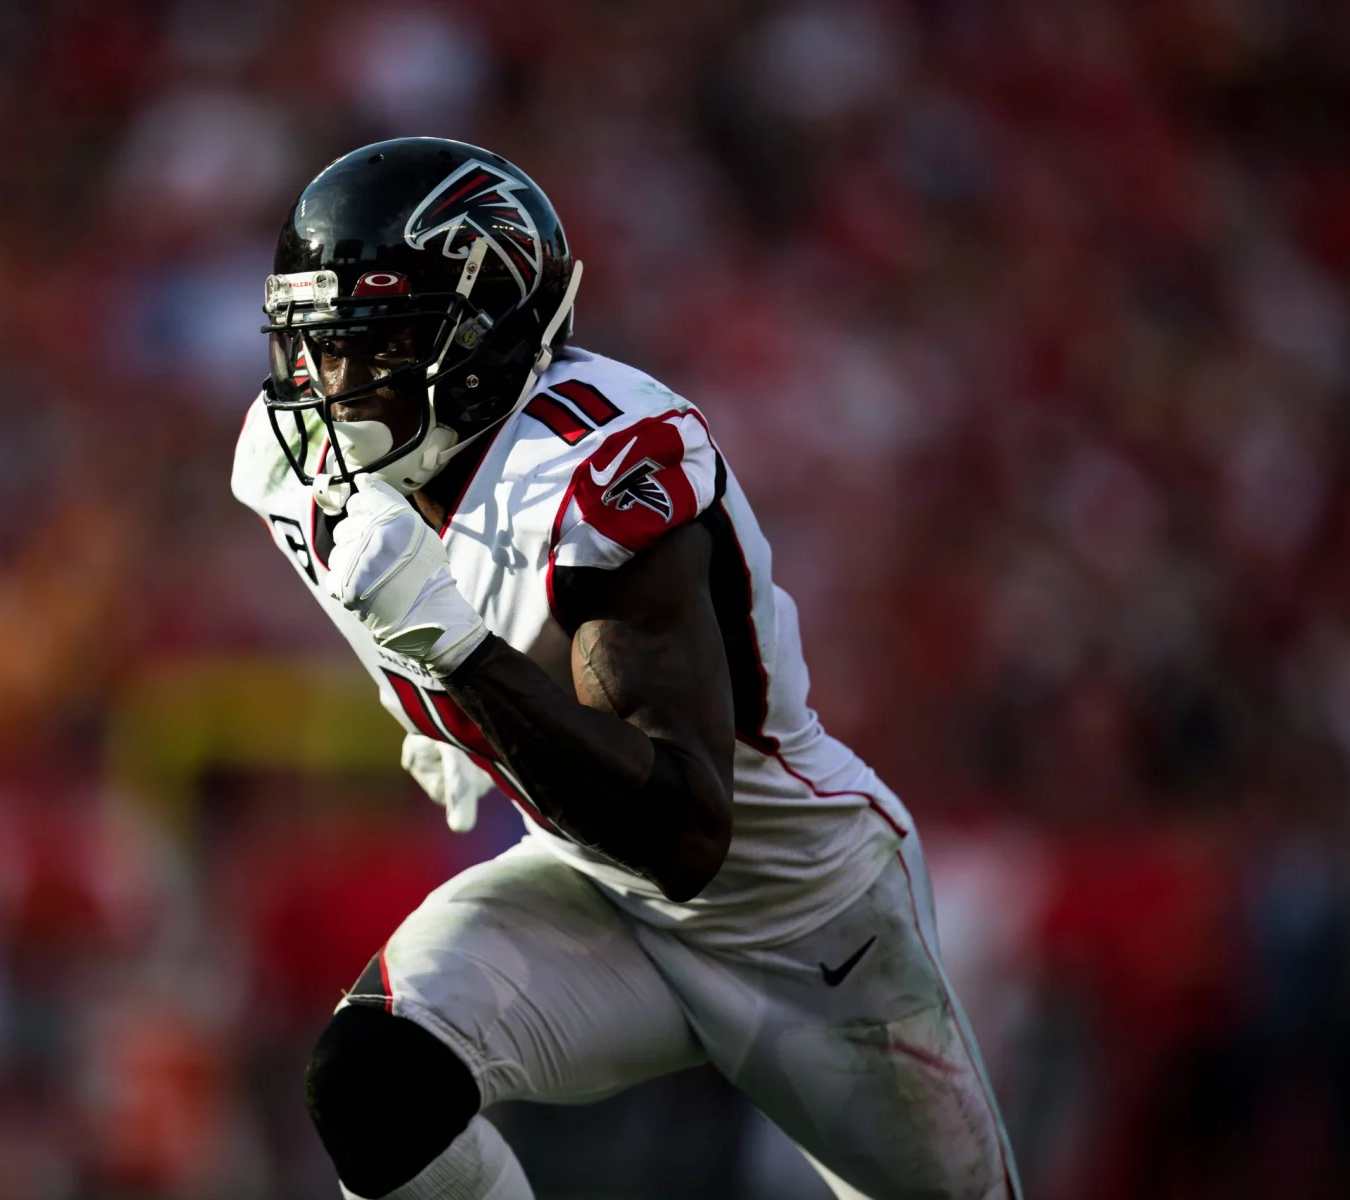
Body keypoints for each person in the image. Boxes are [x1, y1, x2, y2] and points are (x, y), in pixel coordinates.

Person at [231, 136, 1021, 1200]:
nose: (339, 388)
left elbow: (685, 837)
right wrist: (428, 709)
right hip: (592, 886)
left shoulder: (595, 467)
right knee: (374, 1082)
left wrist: (458, 661)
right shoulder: (293, 463)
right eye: (322, 347)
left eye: (382, 345)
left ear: (487, 332)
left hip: (800, 920)